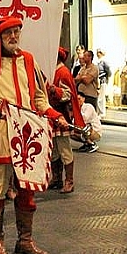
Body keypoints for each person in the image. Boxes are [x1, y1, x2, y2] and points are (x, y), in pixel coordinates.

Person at [0, 18, 66, 254]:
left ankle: (25, 240)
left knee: (27, 187)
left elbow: (39, 98)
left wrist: (54, 114)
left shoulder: (28, 60)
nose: (14, 36)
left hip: (28, 132)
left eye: (16, 31)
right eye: (8, 32)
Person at [47, 47, 84, 193]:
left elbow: (69, 95)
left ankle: (69, 181)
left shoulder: (62, 72)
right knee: (54, 150)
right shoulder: (53, 71)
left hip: (61, 117)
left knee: (64, 150)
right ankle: (56, 178)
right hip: (52, 117)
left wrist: (55, 91)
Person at [96, 48, 111, 116]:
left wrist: (106, 78)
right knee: (99, 98)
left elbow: (108, 72)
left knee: (101, 98)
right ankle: (99, 112)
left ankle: (102, 113)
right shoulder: (98, 62)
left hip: (102, 81)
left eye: (99, 52)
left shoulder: (104, 62)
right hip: (98, 81)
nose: (98, 54)